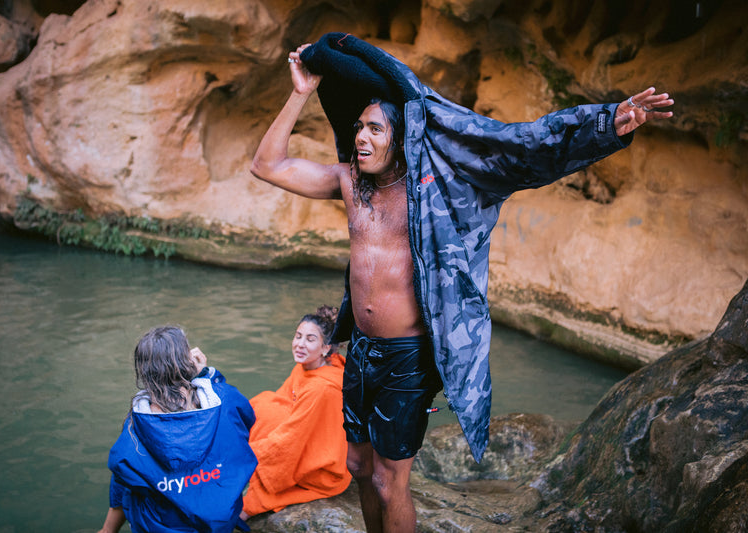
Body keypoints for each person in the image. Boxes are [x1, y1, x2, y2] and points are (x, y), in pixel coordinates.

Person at [250, 32, 674, 533]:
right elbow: (267, 166)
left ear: (403, 135)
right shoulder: (352, 183)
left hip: (408, 357)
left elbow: (526, 148)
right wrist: (301, 91)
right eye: (358, 128)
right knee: (360, 469)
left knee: (390, 481)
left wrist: (606, 125)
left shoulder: (438, 188)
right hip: (360, 349)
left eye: (374, 130)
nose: (361, 137)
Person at [97, 326, 257, 533]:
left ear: (145, 372)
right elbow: (246, 417)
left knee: (127, 472)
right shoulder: (224, 399)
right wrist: (206, 376)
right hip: (221, 520)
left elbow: (121, 466)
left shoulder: (133, 435)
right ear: (186, 361)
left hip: (164, 527)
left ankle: (107, 530)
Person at [240, 305, 351, 520]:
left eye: (310, 339)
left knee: (242, 504)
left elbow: (291, 439)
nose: (300, 344)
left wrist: (244, 453)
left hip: (322, 467)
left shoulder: (322, 388)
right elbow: (282, 402)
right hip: (304, 436)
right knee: (264, 403)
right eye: (298, 336)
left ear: (326, 348)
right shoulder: (308, 366)